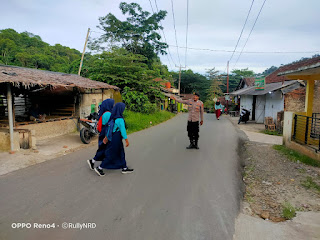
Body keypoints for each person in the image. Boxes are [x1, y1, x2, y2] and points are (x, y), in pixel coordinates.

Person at [94, 103, 134, 176]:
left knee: (121, 152)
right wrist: (126, 140)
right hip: (116, 138)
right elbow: (123, 130)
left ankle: (124, 168)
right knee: (111, 154)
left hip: (113, 137)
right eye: (123, 108)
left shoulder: (113, 117)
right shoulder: (120, 119)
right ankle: (100, 168)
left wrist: (106, 137)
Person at [87, 98, 115, 170]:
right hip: (106, 133)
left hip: (103, 132)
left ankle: (93, 162)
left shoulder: (104, 113)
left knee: (103, 149)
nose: (113, 106)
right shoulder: (108, 114)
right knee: (106, 149)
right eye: (112, 104)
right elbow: (110, 125)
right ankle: (100, 167)